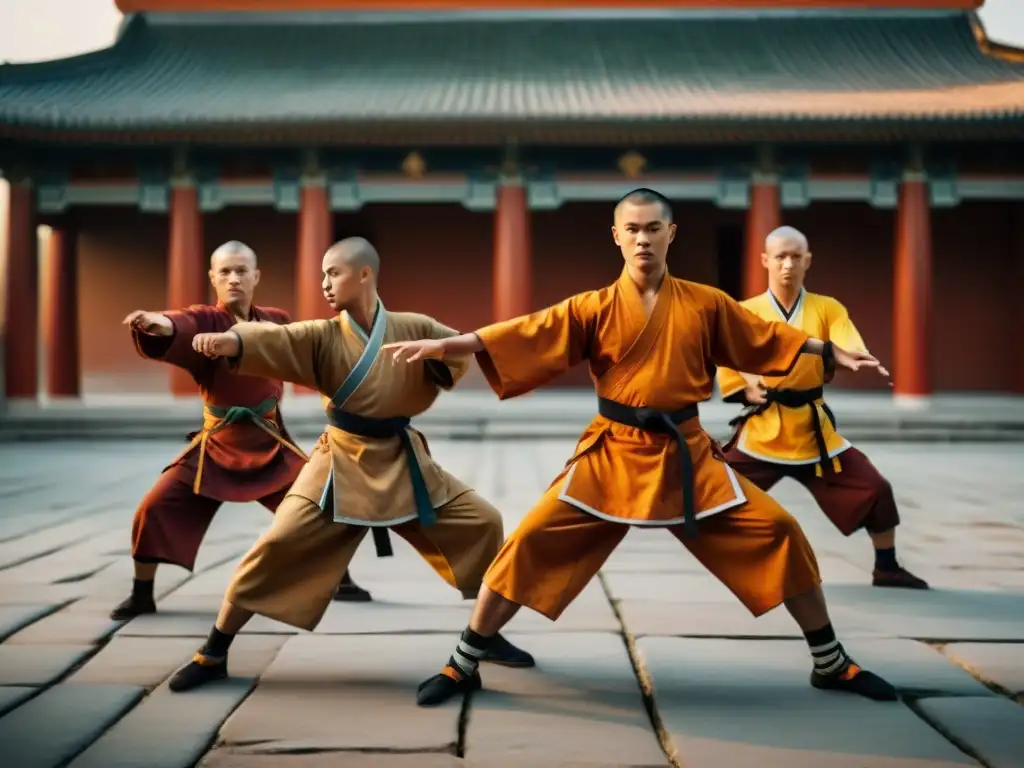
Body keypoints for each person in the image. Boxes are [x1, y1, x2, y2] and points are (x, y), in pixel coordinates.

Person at [385, 189, 900, 707]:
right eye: (631, 229)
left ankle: (830, 661)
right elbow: (531, 329)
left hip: (687, 456)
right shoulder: (596, 306)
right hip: (613, 451)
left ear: (670, 233)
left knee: (780, 531)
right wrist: (451, 344)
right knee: (530, 540)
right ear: (617, 236)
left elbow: (762, 335)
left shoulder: (706, 302)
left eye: (652, 228)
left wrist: (828, 349)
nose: (642, 238)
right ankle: (464, 661)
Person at [164, 237, 533, 692]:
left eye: (333, 273)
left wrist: (439, 352)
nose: (324, 284)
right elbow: (278, 338)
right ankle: (213, 651)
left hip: (403, 461)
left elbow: (459, 347)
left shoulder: (413, 325)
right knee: (275, 546)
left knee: (483, 523)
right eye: (321, 275)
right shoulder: (322, 335)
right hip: (339, 464)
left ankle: (487, 633)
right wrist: (231, 340)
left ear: (365, 275)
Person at [112, 240, 370, 622]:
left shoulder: (276, 319)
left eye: (241, 271)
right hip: (216, 445)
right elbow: (179, 324)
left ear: (255, 277)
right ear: (213, 278)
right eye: (226, 272)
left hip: (269, 442)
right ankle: (141, 593)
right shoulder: (205, 319)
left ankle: (341, 579)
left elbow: (306, 349)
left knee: (322, 507)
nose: (234, 279)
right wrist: (157, 324)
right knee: (155, 507)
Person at [716, 226, 927, 590]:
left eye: (795, 256)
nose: (787, 264)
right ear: (765, 260)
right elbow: (727, 357)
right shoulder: (746, 311)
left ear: (807, 261)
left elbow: (844, 341)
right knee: (718, 491)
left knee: (874, 487)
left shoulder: (827, 308)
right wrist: (746, 389)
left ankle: (887, 566)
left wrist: (853, 357)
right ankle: (736, 562)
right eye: (780, 256)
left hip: (813, 433)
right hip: (763, 430)